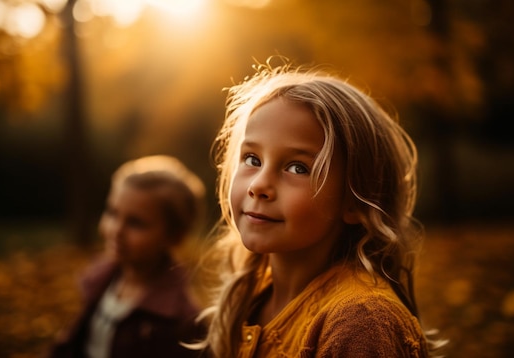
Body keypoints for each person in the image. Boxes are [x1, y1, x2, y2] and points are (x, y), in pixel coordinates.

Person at [194, 59, 442, 358]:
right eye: (252, 159)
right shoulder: (253, 296)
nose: (259, 185)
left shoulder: (360, 322)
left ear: (354, 201)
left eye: (297, 167)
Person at [49, 155, 206, 358]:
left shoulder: (181, 321)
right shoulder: (101, 280)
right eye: (113, 213)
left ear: (173, 236)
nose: (116, 230)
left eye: (136, 223)